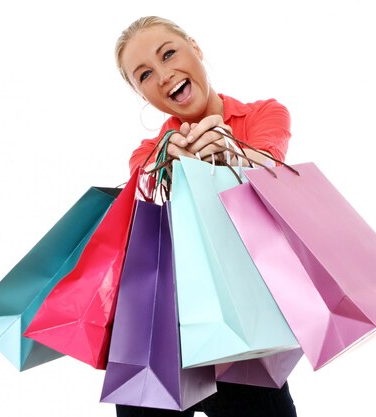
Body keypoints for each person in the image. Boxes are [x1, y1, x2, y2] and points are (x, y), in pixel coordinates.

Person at [114, 16, 297, 417]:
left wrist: (229, 155)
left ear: (195, 48)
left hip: (244, 323)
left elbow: (272, 169)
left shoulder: (262, 114)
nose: (163, 76)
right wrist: (168, 164)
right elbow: (139, 194)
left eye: (168, 54)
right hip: (161, 334)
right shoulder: (148, 152)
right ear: (140, 92)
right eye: (145, 74)